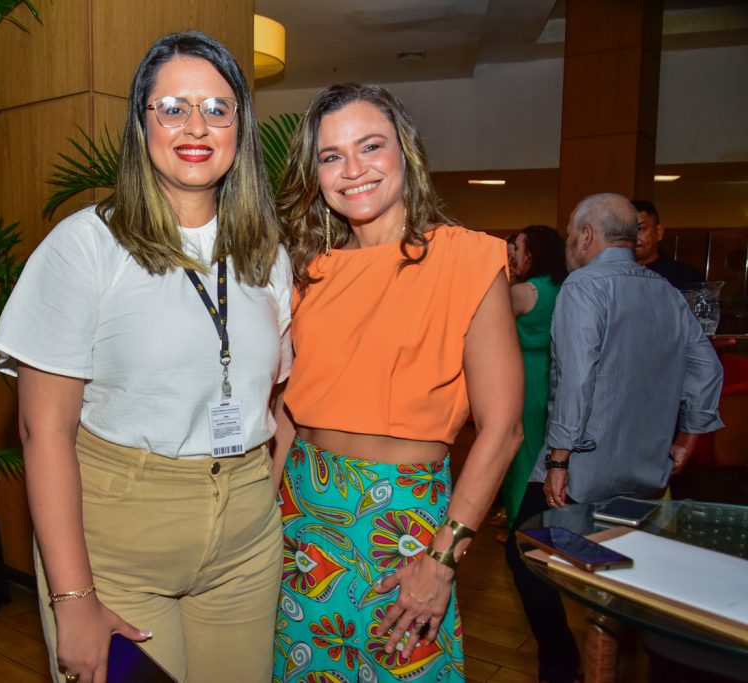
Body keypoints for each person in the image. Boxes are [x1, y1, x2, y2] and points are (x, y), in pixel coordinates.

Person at [0, 31, 291, 683]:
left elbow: (281, 395)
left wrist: (257, 493)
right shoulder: (85, 246)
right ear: (141, 122)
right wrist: (71, 599)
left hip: (245, 535)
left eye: (217, 108)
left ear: (240, 125)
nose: (196, 126)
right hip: (119, 534)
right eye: (172, 106)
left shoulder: (269, 255)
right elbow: (43, 430)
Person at [271, 83, 524, 682]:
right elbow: (288, 413)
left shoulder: (468, 259)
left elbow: (504, 429)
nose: (352, 169)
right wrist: (261, 514)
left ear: (405, 154)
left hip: (407, 528)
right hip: (302, 518)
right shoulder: (309, 272)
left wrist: (441, 561)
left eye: (370, 146)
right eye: (331, 156)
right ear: (316, 174)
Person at [506, 193, 724, 683]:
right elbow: (706, 367)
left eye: (569, 234)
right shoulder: (665, 290)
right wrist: (690, 434)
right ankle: (609, 649)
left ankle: (562, 666)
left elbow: (577, 378)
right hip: (645, 470)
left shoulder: (583, 286)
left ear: (587, 236)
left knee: (525, 554)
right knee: (612, 562)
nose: (567, 244)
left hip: (583, 468)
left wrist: (559, 458)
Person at [499, 225, 567, 528]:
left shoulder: (523, 291)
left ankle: (519, 526)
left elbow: (488, 328)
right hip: (551, 374)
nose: (515, 255)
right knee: (541, 453)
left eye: (519, 249)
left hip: (522, 378)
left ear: (533, 253)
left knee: (520, 460)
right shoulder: (563, 287)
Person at [631, 199, 704, 289]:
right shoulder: (612, 276)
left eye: (640, 229)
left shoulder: (688, 278)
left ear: (659, 232)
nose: (633, 237)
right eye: (625, 231)